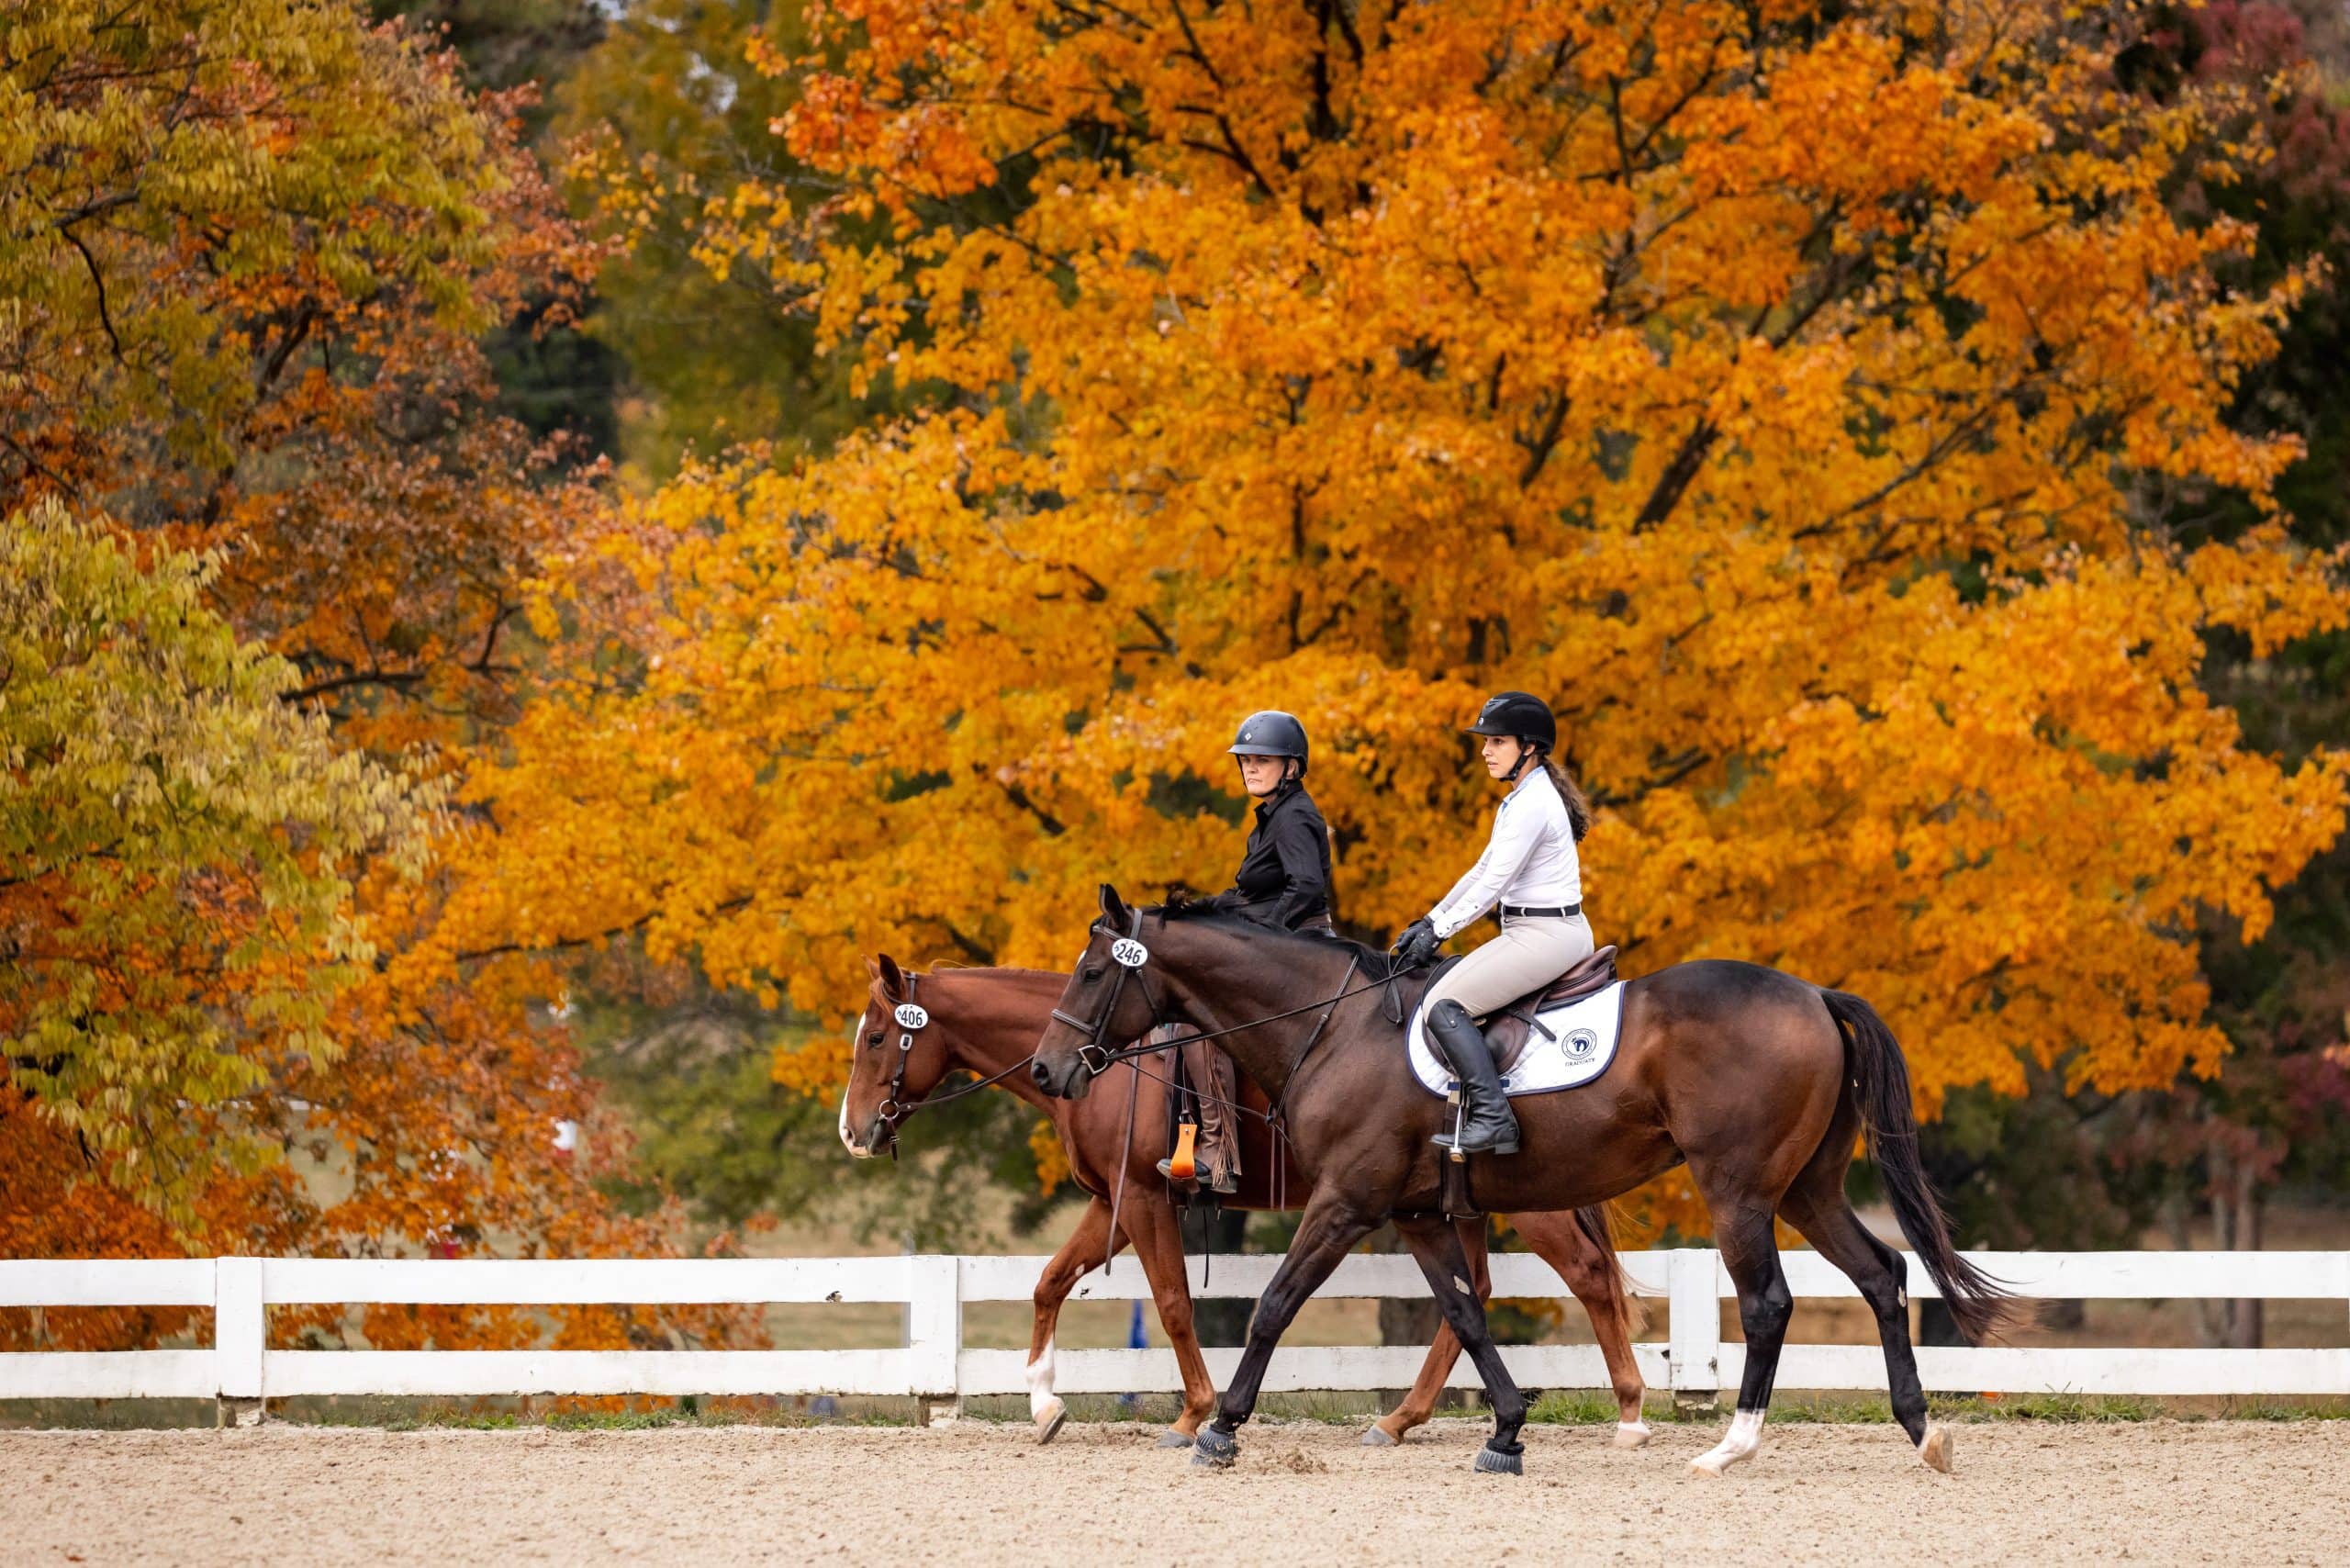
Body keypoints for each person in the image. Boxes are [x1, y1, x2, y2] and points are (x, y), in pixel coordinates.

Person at [1393, 691, 1595, 1156]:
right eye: (1486, 741)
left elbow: (1493, 886)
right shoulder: (1522, 797)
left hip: (1547, 935)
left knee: (1443, 1005)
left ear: (1529, 748)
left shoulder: (1533, 803)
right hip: (1534, 931)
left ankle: (1493, 1118)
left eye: (1497, 741)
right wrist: (1429, 920)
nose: (1485, 750)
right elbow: (1480, 871)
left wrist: (1440, 932)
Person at [1157, 711, 1335, 1193]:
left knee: (1201, 1017)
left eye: (1263, 760)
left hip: (1301, 950)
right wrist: (1199, 911)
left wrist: (1262, 942)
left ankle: (1218, 1153)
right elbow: (1250, 894)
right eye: (1246, 760)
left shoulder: (1294, 816)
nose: (1251, 768)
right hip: (1283, 946)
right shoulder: (1270, 819)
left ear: (1291, 767)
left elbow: (1305, 887)